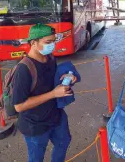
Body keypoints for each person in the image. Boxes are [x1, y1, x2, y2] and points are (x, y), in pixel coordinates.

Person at [12, 24, 77, 162]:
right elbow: (19, 106)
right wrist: (53, 94)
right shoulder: (23, 70)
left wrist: (68, 77)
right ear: (33, 43)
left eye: (54, 40)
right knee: (37, 157)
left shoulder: (50, 57)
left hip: (56, 116)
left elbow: (52, 81)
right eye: (48, 42)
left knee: (63, 142)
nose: (52, 45)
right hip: (35, 125)